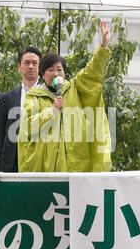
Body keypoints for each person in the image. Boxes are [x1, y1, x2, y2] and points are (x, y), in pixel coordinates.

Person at [17, 21, 111, 172]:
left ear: (65, 73)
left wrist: (103, 48)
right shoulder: (34, 96)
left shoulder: (74, 88)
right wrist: (52, 110)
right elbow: (28, 126)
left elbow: (91, 72)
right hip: (46, 168)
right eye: (50, 70)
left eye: (59, 69)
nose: (56, 74)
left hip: (75, 164)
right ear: (42, 74)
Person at [0, 47, 42, 172]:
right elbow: (1, 133)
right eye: (26, 63)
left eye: (35, 63)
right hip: (13, 159)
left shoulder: (49, 95)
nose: (31, 66)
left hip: (41, 156)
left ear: (40, 67)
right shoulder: (7, 98)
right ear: (19, 66)